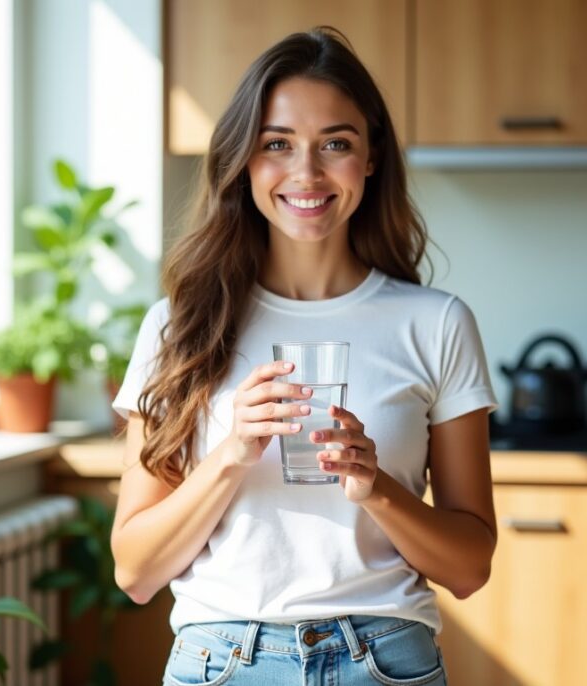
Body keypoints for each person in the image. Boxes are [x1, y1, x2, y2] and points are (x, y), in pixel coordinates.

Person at [110, 26, 497, 686]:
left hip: (383, 660)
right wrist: (231, 454)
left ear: (370, 157)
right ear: (245, 161)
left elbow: (468, 569)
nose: (307, 173)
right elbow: (136, 572)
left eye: (336, 144)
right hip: (221, 662)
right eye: (277, 144)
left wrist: (378, 491)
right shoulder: (178, 328)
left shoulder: (436, 324)